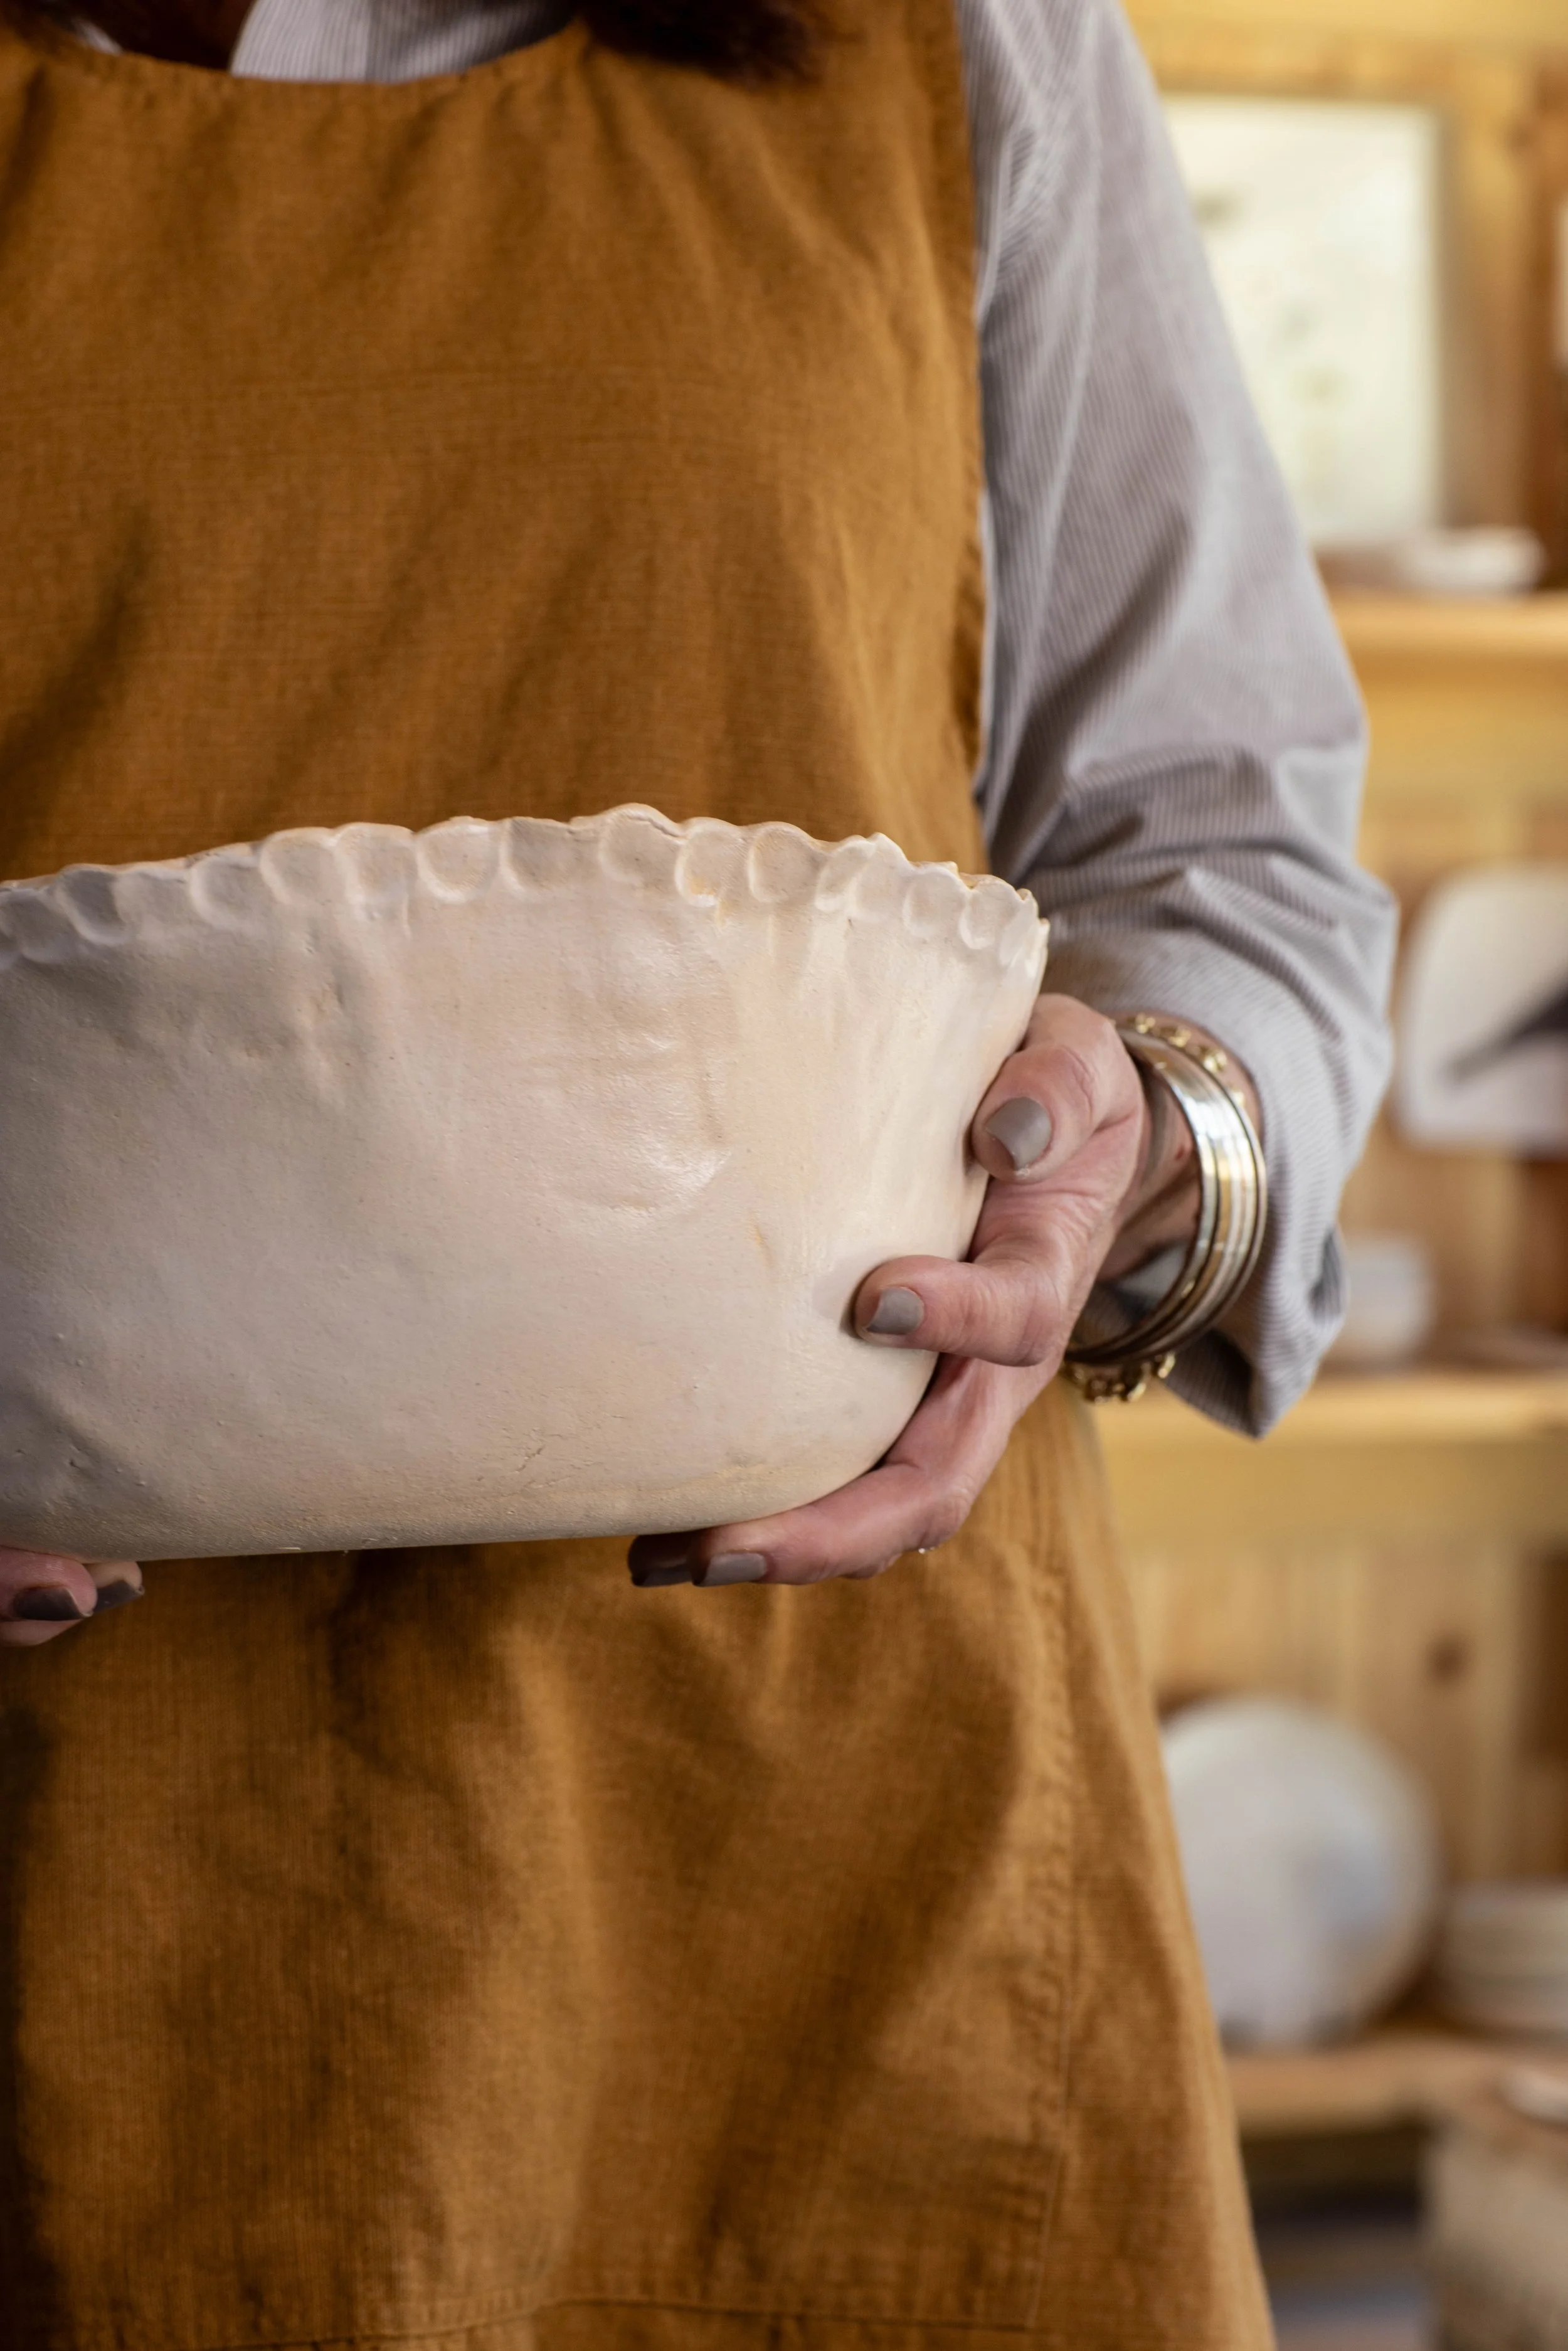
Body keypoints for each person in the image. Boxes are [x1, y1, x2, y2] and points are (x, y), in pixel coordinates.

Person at [0, 0, 1395, 2343]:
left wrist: (1149, 1141)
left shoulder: (957, 44)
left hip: (839, 1881)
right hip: (84, 1901)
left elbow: (1221, 837)